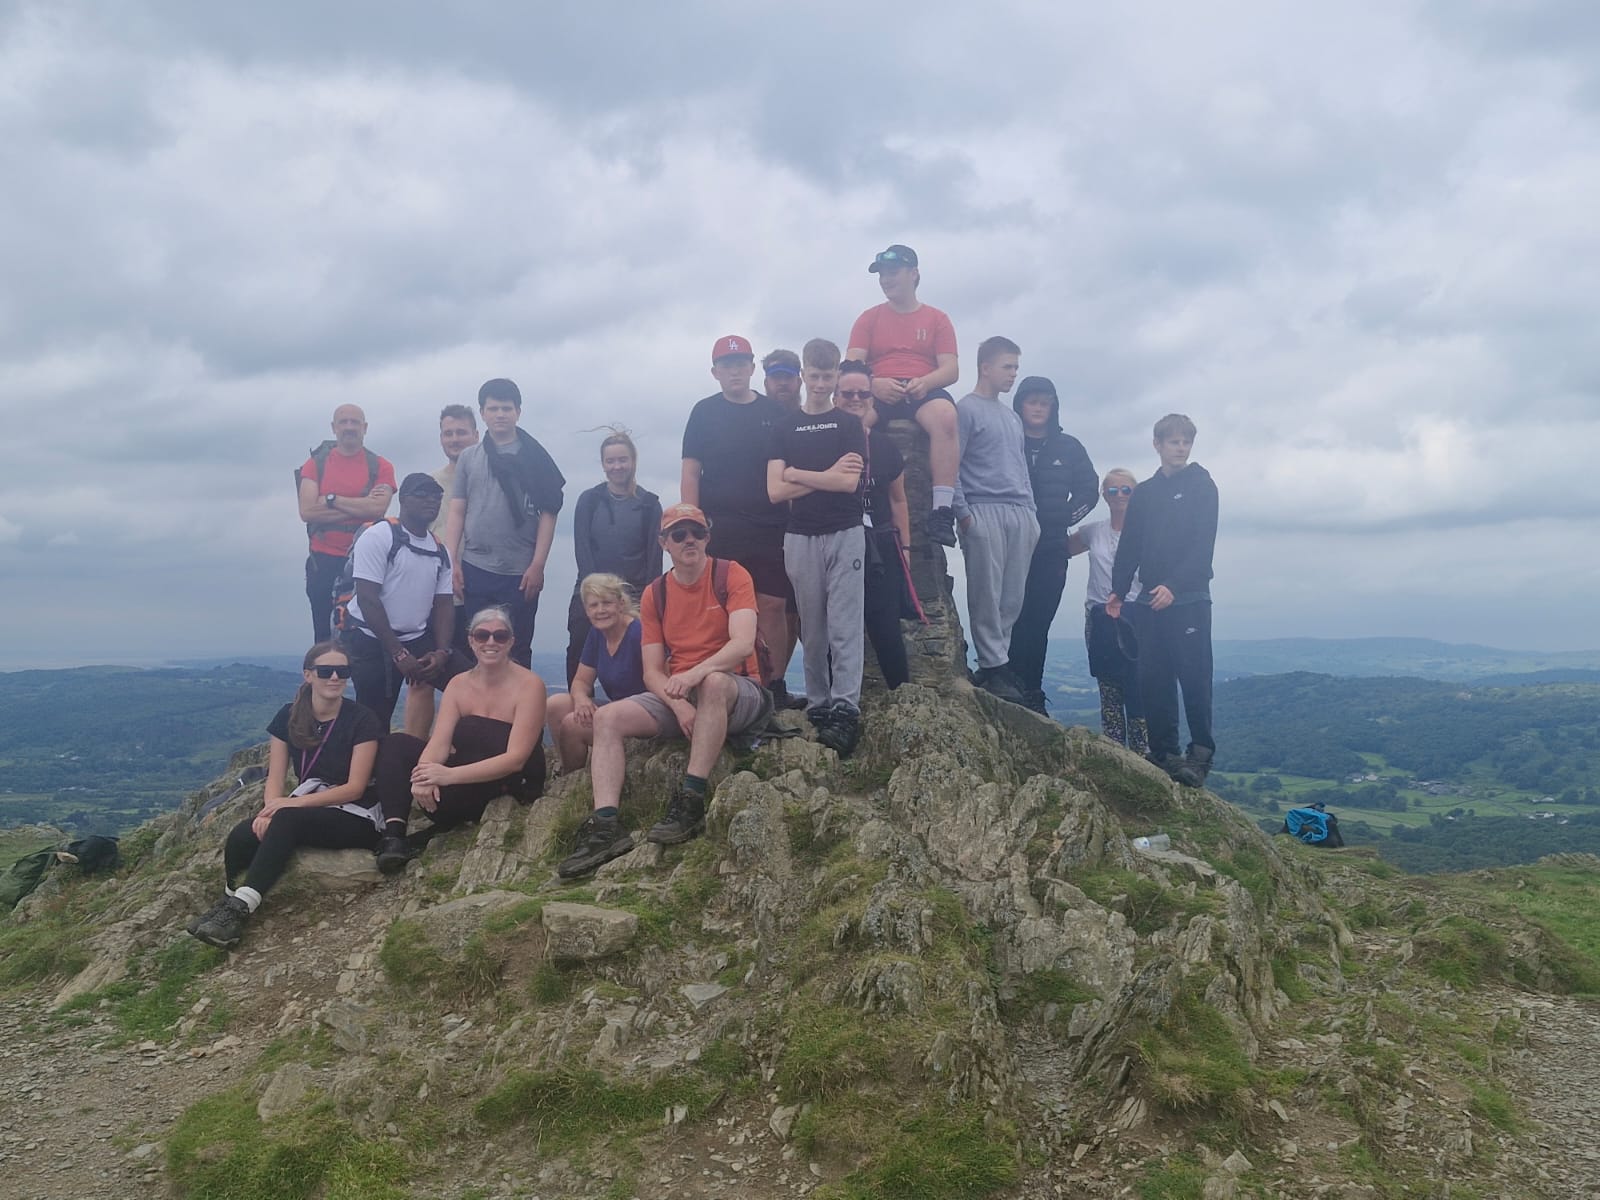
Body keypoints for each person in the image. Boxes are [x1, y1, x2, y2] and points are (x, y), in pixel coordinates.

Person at [556, 504, 771, 879]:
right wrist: (679, 705)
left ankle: (691, 798)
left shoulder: (731, 574)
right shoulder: (657, 594)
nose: (689, 539)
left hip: (739, 687)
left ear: (708, 536)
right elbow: (653, 671)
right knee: (607, 716)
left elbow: (741, 644)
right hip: (679, 692)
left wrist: (693, 677)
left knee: (714, 683)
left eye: (697, 532)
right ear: (664, 543)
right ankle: (606, 825)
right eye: (679, 534)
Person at [186, 643, 384, 948]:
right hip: (309, 805)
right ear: (308, 675)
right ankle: (227, 902)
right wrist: (270, 811)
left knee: (287, 820)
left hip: (357, 813)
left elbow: (355, 787)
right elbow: (275, 778)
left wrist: (287, 807)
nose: (335, 677)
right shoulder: (289, 717)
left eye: (342, 671)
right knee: (242, 834)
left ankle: (239, 912)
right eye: (325, 671)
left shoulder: (362, 719)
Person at [371, 606, 547, 872]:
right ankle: (394, 836)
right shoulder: (458, 684)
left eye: (500, 636)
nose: (491, 642)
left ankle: (445, 821)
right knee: (395, 744)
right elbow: (439, 743)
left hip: (506, 784)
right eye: (482, 635)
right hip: (458, 781)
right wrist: (424, 776)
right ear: (471, 641)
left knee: (476, 729)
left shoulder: (530, 685)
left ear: (511, 642)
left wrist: (446, 777)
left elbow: (516, 759)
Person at [681, 336, 798, 704]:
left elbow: (790, 470)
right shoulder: (703, 412)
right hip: (719, 527)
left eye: (741, 363)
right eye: (727, 365)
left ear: (751, 368)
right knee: (720, 608)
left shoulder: (776, 413)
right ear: (715, 372)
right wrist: (692, 523)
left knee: (773, 606)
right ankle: (722, 686)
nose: (734, 370)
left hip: (770, 525)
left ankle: (773, 685)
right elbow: (690, 471)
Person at [1107, 414, 1218, 787]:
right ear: (1158, 445)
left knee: (1194, 678)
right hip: (1149, 601)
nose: (1180, 448)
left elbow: (1202, 547)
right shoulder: (1146, 494)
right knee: (1154, 680)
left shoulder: (1203, 486)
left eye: (1186, 441)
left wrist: (1174, 585)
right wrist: (1118, 590)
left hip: (1189, 600)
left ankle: (1200, 754)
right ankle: (1165, 754)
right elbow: (1131, 545)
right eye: (1173, 442)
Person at [768, 339, 867, 755]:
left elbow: (849, 484)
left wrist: (800, 474)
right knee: (812, 625)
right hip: (800, 535)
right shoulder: (784, 427)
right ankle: (819, 703)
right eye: (816, 375)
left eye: (829, 377)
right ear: (804, 374)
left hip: (845, 531)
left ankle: (846, 708)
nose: (822, 383)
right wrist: (822, 475)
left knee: (845, 623)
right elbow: (775, 490)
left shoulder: (848, 424)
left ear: (836, 377)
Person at [443, 378, 565, 668]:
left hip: (521, 571)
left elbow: (549, 512)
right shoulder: (469, 458)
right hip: (476, 566)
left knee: (518, 647)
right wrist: (452, 563)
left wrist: (538, 565)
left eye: (506, 408)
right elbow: (457, 511)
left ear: (518, 412)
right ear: (482, 413)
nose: (500, 414)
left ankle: (521, 713)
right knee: (479, 645)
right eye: (493, 408)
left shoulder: (536, 458)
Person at [845, 245, 961, 547]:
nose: (885, 279)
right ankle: (850, 497)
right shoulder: (868, 319)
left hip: (922, 387)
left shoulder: (937, 319)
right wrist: (875, 383)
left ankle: (942, 509)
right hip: (880, 388)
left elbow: (951, 369)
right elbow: (852, 365)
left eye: (892, 272)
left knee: (946, 418)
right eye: (882, 273)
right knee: (852, 428)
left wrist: (925, 382)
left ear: (914, 273)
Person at [1006, 376, 1100, 714]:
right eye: (1032, 401)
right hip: (1009, 544)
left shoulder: (1069, 446)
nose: (1038, 408)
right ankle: (1003, 681)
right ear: (1020, 404)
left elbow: (1090, 489)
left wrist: (1065, 517)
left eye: (1044, 402)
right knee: (1008, 614)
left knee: (1039, 619)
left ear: (1053, 406)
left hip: (1051, 547)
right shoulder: (1006, 440)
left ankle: (1031, 690)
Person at [953, 337, 1039, 704]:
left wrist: (1032, 516)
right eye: (1007, 366)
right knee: (986, 593)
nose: (1013, 375)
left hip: (1020, 512)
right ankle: (992, 665)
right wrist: (963, 513)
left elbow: (1020, 468)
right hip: (982, 508)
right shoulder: (965, 409)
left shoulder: (1011, 417)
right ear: (985, 367)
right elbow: (950, 463)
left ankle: (997, 664)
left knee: (1012, 596)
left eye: (1015, 368)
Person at [341, 473, 457, 736]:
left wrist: (441, 652)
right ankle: (369, 773)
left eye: (436, 496)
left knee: (467, 682)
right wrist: (398, 653)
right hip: (372, 640)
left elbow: (444, 605)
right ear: (403, 500)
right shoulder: (378, 536)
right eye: (422, 494)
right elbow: (368, 598)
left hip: (417, 637)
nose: (431, 500)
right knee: (373, 721)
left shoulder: (440, 550)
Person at [834, 359, 918, 689]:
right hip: (835, 543)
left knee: (886, 629)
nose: (856, 399)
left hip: (880, 548)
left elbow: (898, 500)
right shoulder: (819, 441)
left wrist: (906, 551)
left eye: (863, 394)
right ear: (835, 397)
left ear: (872, 398)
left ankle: (905, 699)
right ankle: (833, 706)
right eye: (848, 393)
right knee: (835, 629)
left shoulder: (883, 445)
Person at [564, 430, 663, 686]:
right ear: (603, 464)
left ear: (633, 461)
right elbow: (583, 551)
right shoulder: (589, 500)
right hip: (590, 590)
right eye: (611, 461)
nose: (617, 466)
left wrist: (650, 605)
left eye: (623, 460)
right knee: (578, 641)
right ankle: (577, 709)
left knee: (642, 654)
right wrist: (594, 596)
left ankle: (640, 712)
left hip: (635, 594)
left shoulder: (650, 504)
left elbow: (654, 559)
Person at [296, 404, 396, 642]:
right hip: (323, 560)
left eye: (355, 422)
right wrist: (360, 506)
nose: (349, 427)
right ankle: (325, 677)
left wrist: (331, 500)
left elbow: (378, 508)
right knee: (323, 635)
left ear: (365, 428)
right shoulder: (315, 464)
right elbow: (307, 511)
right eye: (343, 422)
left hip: (365, 559)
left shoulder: (381, 466)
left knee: (365, 632)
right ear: (334, 427)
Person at [1069, 469, 1147, 753]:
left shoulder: (1147, 533)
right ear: (1104, 495)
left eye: (1126, 490)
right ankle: (1114, 751)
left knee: (1140, 685)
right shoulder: (1093, 531)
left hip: (1138, 613)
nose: (1119, 496)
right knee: (1108, 682)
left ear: (1135, 494)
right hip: (1099, 615)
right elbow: (1061, 550)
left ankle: (1144, 754)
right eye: (1113, 491)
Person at [546, 573, 646, 773]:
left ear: (620, 603)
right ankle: (567, 769)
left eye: (606, 603)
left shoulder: (639, 632)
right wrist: (581, 698)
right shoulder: (597, 634)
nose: (600, 610)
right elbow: (581, 680)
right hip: (616, 710)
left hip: (645, 714)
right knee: (556, 705)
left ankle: (572, 779)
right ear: (586, 609)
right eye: (593, 605)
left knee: (573, 725)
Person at [430, 405, 480, 540]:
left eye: (461, 432)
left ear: (476, 436)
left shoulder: (493, 479)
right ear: (441, 438)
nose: (455, 440)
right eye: (448, 434)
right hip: (440, 560)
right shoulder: (430, 483)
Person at [762, 348, 804, 414]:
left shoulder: (810, 421)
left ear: (799, 382)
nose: (783, 383)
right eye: (776, 377)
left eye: (789, 377)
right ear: (766, 383)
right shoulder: (754, 418)